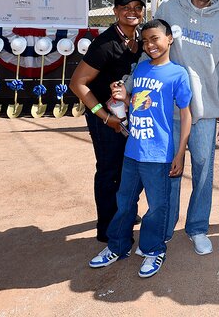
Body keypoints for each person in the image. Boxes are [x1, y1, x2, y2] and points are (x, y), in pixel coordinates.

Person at [88, 19, 192, 278]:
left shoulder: (178, 73)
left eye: (155, 38)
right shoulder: (142, 69)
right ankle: (118, 246)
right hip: (133, 150)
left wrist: (180, 153)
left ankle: (153, 249)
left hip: (159, 154)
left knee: (157, 206)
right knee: (124, 202)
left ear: (169, 38)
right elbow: (135, 103)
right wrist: (122, 97)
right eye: (145, 41)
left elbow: (186, 115)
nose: (149, 45)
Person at [155, 0, 219, 255]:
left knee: (203, 171)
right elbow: (150, 49)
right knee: (169, 170)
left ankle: (198, 228)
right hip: (169, 112)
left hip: (204, 114)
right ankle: (164, 227)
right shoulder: (168, 10)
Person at [69, 0, 145, 243]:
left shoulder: (140, 41)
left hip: (127, 118)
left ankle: (122, 214)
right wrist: (103, 116)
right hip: (106, 120)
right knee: (109, 171)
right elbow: (78, 84)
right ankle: (107, 230)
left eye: (137, 7)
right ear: (115, 11)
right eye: (126, 7)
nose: (132, 11)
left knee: (128, 170)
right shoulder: (105, 44)